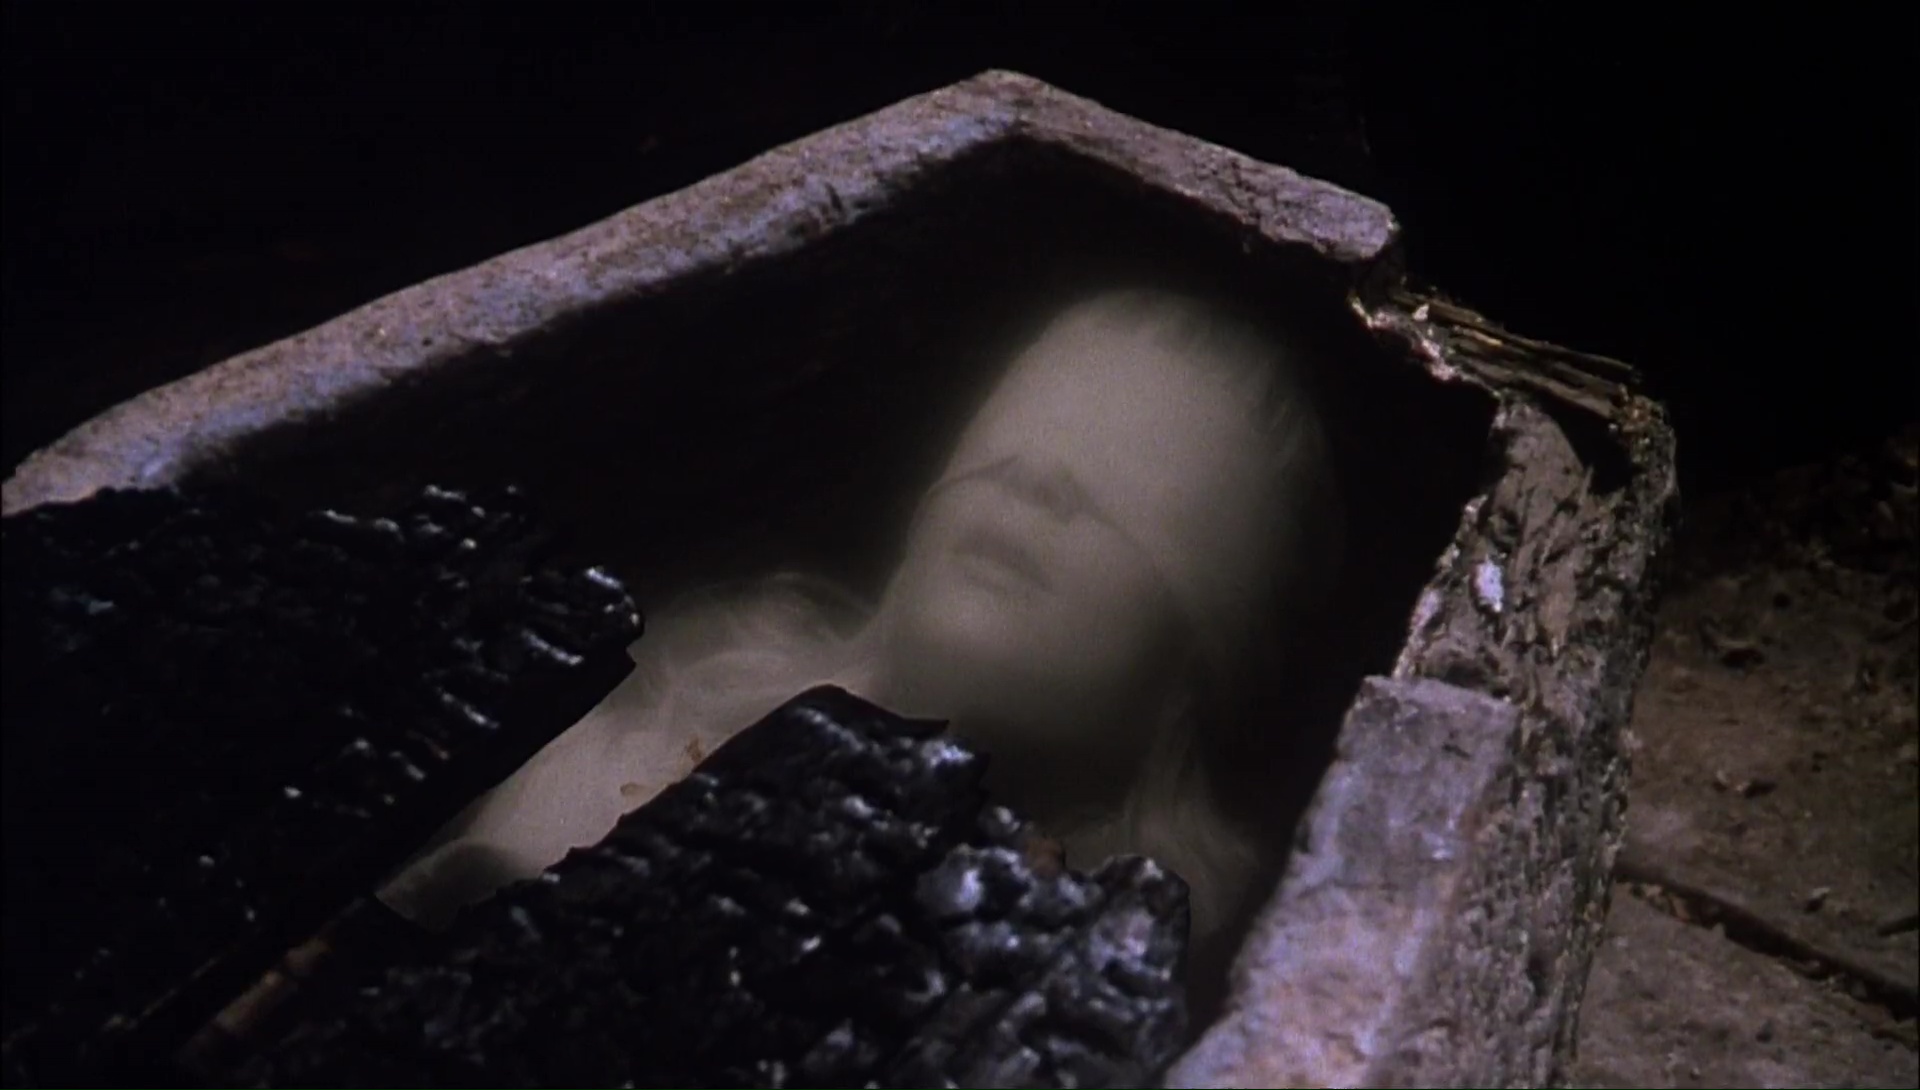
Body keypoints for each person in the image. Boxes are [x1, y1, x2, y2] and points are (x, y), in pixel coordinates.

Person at [378, 286, 1343, 990]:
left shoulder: (1091, 982)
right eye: (1001, 453)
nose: (1034, 481)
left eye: (1133, 496)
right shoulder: (637, 733)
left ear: (1191, 670)